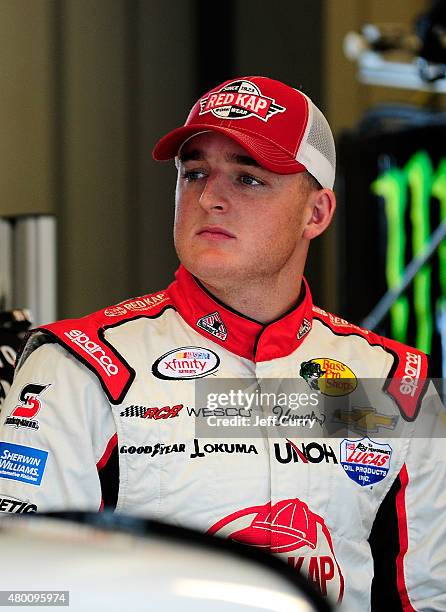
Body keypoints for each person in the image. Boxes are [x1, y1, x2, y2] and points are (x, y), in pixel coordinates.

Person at [0, 76, 444, 611]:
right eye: (195, 173)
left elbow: (424, 596)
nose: (210, 197)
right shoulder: (85, 365)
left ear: (317, 213)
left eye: (248, 179)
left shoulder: (393, 383)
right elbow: (23, 591)